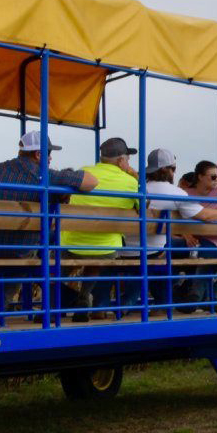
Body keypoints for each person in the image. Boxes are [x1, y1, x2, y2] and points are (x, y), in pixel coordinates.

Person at [0, 131, 97, 327]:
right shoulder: (42, 175)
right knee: (24, 259)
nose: (50, 158)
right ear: (38, 155)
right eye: (48, 154)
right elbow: (91, 181)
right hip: (16, 249)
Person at [124, 149, 217, 310]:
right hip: (155, 252)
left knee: (171, 255)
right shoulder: (174, 192)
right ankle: (164, 303)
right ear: (165, 170)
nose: (174, 173)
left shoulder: (140, 188)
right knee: (168, 257)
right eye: (174, 169)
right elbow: (205, 216)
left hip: (126, 250)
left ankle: (117, 304)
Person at [60, 137, 138, 321]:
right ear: (120, 160)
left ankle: (57, 302)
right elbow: (142, 207)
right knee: (98, 258)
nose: (128, 163)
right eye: (128, 159)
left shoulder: (83, 172)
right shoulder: (130, 182)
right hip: (106, 247)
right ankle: (82, 297)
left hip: (72, 243)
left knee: (59, 267)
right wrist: (134, 176)